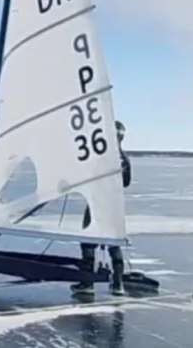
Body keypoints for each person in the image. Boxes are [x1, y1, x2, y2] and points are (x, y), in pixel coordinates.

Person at [71, 120, 132, 297]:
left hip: (97, 204)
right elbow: (126, 183)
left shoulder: (100, 158)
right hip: (113, 206)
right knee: (114, 242)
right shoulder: (124, 158)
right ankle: (118, 284)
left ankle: (87, 282)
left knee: (88, 242)